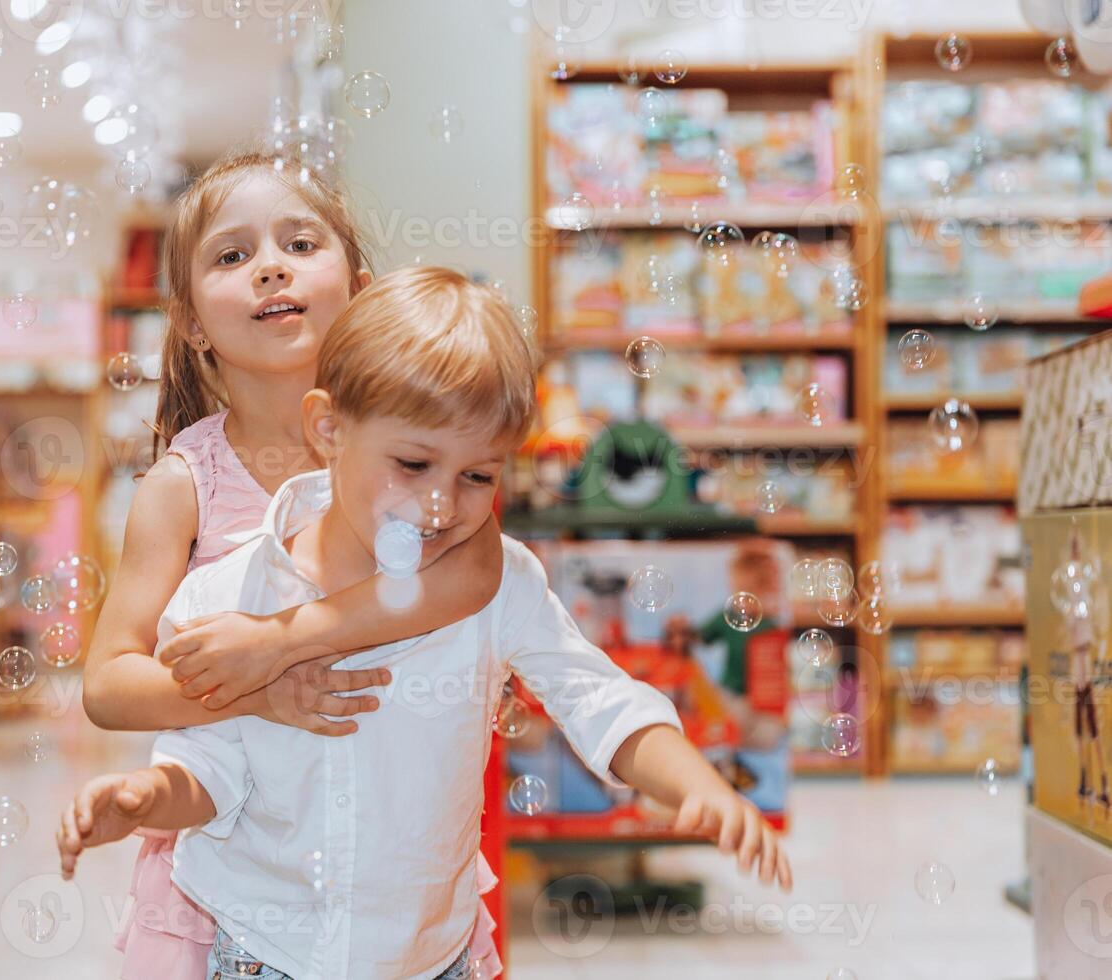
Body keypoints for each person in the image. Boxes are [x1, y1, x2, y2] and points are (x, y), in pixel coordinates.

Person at [61, 267, 793, 980]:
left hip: (430, 956)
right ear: (328, 430)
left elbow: (596, 696)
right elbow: (213, 768)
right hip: (264, 951)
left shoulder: (500, 583)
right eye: (413, 464)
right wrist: (148, 800)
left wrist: (691, 778)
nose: (443, 503)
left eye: (478, 475)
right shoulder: (231, 595)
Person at [75, 153, 508, 979]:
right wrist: (263, 695)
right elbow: (107, 683)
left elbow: (476, 570)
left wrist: (277, 641)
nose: (270, 266)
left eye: (300, 243)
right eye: (232, 257)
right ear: (193, 321)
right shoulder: (184, 485)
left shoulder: (420, 451)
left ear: (361, 285)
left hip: (394, 865)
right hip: (234, 878)